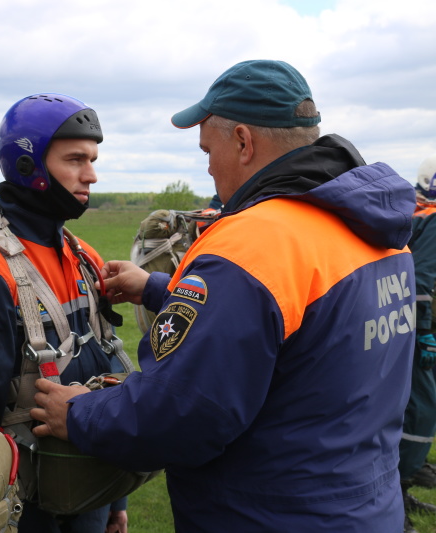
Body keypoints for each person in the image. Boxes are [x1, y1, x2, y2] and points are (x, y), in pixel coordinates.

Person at [30, 59, 417, 532]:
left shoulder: (252, 245)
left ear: (243, 142)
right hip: (365, 507)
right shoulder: (378, 233)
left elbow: (179, 413)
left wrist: (78, 413)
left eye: (207, 150)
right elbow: (304, 327)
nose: (209, 168)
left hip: (270, 515)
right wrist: (155, 289)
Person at [0, 93, 127, 533]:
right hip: (21, 505)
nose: (90, 175)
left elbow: (106, 368)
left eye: (92, 159)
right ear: (27, 166)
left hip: (87, 487)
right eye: (75, 159)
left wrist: (115, 498)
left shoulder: (82, 255)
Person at [399, 153, 436, 532]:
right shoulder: (435, 220)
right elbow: (421, 282)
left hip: (404, 324)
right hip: (417, 328)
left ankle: (401, 487)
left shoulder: (418, 214)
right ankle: (397, 496)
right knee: (420, 412)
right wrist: (424, 330)